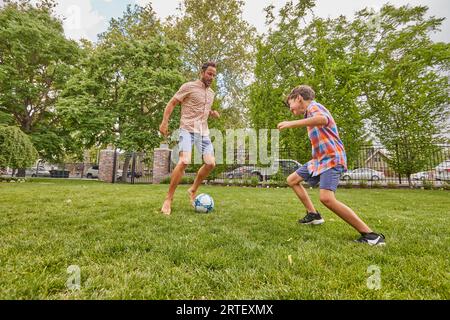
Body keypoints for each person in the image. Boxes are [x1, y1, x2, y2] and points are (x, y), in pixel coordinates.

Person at [277, 85, 385, 245]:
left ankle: (371, 235)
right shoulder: (309, 113)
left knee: (326, 198)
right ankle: (313, 214)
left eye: (290, 103)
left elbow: (323, 119)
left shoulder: (314, 106)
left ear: (299, 98)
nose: (290, 109)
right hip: (319, 160)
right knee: (292, 180)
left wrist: (292, 123)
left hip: (332, 158)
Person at [159, 62, 220, 215]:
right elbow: (172, 103)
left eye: (214, 75)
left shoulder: (211, 93)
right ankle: (168, 199)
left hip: (203, 132)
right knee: (184, 161)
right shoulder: (188, 86)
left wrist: (212, 113)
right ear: (202, 73)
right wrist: (164, 122)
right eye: (209, 74)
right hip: (187, 129)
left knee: (211, 163)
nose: (211, 77)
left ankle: (193, 190)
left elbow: (203, 109)